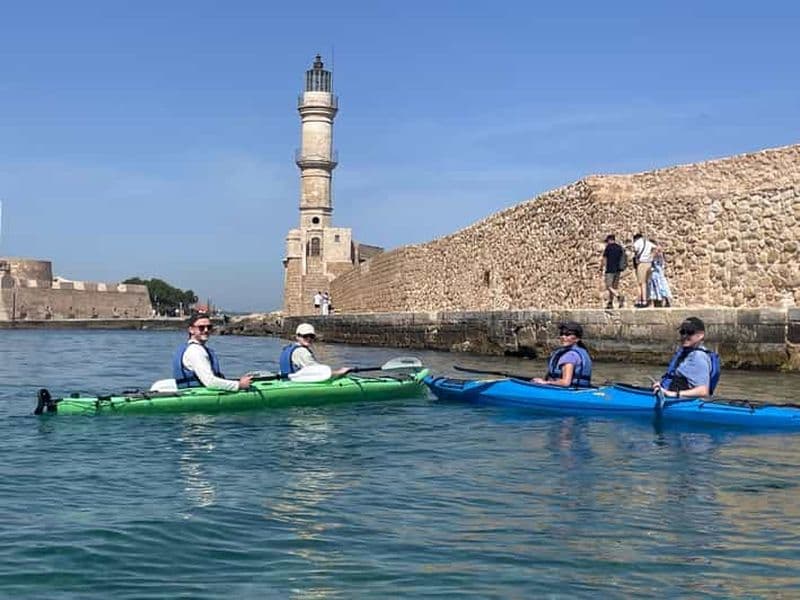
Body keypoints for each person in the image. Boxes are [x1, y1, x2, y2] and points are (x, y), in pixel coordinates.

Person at [172, 311, 253, 391]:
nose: (206, 330)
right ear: (191, 330)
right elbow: (210, 382)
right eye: (201, 327)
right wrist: (239, 385)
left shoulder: (192, 348)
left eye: (209, 327)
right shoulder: (196, 351)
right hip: (198, 396)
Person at [652, 317, 721, 399]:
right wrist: (661, 386)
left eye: (690, 332)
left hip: (680, 403)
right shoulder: (686, 353)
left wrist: (671, 394)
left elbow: (703, 391)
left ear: (701, 335)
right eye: (682, 332)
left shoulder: (698, 357)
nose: (684, 336)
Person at [532, 321, 593, 388]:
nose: (563, 337)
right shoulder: (581, 351)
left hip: (568, 392)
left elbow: (565, 383)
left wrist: (545, 382)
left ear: (577, 339)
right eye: (562, 334)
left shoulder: (570, 356)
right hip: (580, 389)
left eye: (568, 334)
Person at [279, 323, 351, 378]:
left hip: (287, 379)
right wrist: (339, 372)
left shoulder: (289, 347)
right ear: (297, 336)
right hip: (295, 383)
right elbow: (318, 371)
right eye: (305, 336)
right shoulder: (302, 352)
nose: (309, 338)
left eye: (311, 336)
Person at [599, 234, 625, 309]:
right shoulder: (619, 248)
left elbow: (604, 259)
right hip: (618, 270)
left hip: (610, 270)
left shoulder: (608, 248)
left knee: (608, 286)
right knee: (614, 287)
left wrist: (601, 267)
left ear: (610, 240)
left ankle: (619, 296)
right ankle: (610, 303)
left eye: (607, 241)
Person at [632, 233, 656, 308]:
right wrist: (651, 257)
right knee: (645, 282)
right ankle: (645, 299)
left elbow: (634, 249)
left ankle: (641, 301)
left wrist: (637, 257)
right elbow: (656, 248)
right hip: (649, 263)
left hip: (642, 263)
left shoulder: (637, 242)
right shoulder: (648, 243)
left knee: (641, 283)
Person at [647, 240, 673, 307]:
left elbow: (659, 263)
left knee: (661, 287)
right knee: (656, 288)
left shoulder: (657, 254)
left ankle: (664, 300)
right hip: (655, 274)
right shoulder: (655, 254)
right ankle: (656, 301)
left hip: (657, 274)